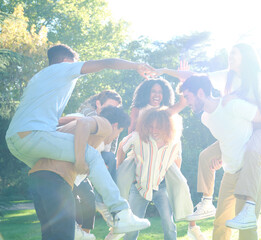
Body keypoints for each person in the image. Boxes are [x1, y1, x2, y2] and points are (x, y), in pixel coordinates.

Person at [5, 44, 154, 234]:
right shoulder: (63, 68)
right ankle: (120, 213)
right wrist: (136, 66)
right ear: (66, 61)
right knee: (89, 155)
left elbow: (55, 122)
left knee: (64, 171)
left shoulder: (39, 79)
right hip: (32, 135)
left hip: (16, 140)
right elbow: (105, 63)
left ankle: (76, 231)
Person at [156, 43, 261, 231]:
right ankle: (206, 201)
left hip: (260, 128)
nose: (230, 56)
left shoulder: (257, 77)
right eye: (229, 53)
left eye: (234, 53)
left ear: (246, 56)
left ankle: (248, 207)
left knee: (252, 152)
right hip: (239, 139)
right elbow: (196, 77)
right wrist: (164, 70)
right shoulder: (226, 80)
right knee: (206, 156)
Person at [179, 75, 261, 240]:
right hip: (230, 174)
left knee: (246, 229)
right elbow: (229, 136)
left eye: (188, 97)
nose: (186, 102)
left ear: (200, 93)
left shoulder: (231, 105)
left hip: (250, 171)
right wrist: (221, 155)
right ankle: (207, 201)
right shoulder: (205, 118)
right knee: (221, 225)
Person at [28, 106, 130, 240]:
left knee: (50, 235)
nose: (116, 136)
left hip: (38, 176)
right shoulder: (103, 126)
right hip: (56, 179)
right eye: (119, 132)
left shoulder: (83, 131)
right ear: (115, 126)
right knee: (64, 235)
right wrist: (80, 161)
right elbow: (84, 123)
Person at [125, 78, 205, 239]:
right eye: (153, 91)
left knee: (178, 194)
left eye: (160, 92)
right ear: (146, 93)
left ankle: (193, 225)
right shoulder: (140, 109)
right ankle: (116, 227)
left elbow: (182, 104)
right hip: (142, 167)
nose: (157, 95)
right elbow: (131, 131)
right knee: (131, 225)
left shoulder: (168, 111)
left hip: (165, 165)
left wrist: (184, 82)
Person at [117, 108, 182, 240]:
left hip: (161, 187)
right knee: (131, 228)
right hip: (139, 187)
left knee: (169, 224)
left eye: (158, 127)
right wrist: (121, 168)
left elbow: (177, 159)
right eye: (150, 127)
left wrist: (172, 179)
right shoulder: (137, 137)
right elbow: (122, 147)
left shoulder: (174, 142)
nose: (154, 130)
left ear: (166, 126)